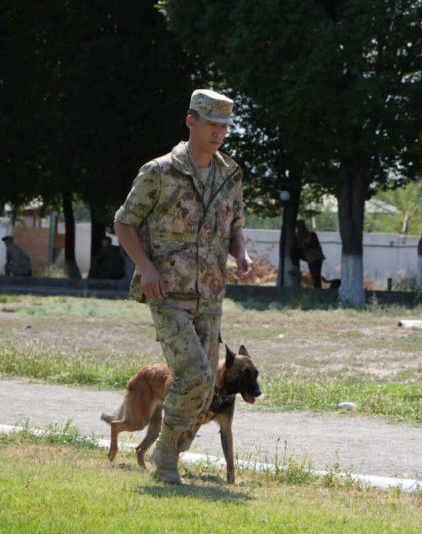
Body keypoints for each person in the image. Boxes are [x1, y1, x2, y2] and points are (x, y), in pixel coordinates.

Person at [113, 88, 254, 484]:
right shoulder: (159, 172)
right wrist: (146, 267)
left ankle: (174, 445)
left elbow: (235, 226)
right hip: (167, 292)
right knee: (193, 374)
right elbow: (124, 223)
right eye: (211, 124)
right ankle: (168, 458)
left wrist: (240, 254)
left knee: (208, 383)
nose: (219, 133)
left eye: (224, 126)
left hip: (210, 295)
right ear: (191, 121)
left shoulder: (230, 174)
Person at [295, 219, 325, 288]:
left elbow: (314, 246)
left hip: (316, 257)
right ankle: (317, 289)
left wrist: (305, 243)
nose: (299, 228)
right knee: (315, 275)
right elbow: (299, 248)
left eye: (300, 226)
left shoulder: (311, 235)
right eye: (298, 227)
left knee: (316, 275)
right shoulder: (298, 236)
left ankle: (318, 290)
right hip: (311, 258)